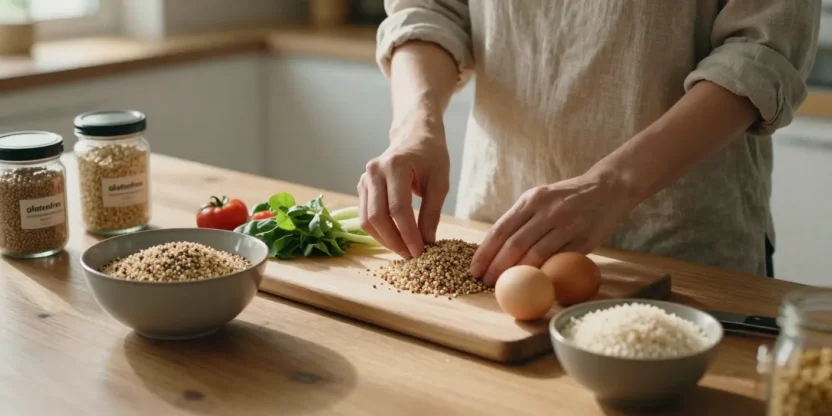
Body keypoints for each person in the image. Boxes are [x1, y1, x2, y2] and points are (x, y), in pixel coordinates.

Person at [357, 1, 821, 285]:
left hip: (682, 247)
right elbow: (432, 8)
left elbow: (761, 51)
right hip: (496, 231)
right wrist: (416, 127)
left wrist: (612, 184)